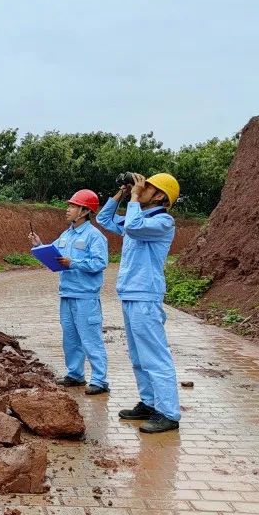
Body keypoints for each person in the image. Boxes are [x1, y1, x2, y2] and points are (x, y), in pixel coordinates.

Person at [96, 172, 181, 434]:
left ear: (159, 195)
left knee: (155, 356)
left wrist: (133, 198)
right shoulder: (139, 217)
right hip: (131, 294)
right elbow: (104, 219)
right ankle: (149, 403)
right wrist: (123, 192)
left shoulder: (163, 222)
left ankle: (168, 413)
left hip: (146, 295)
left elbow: (132, 228)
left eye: (147, 186)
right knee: (138, 356)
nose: (141, 188)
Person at [28, 189, 110, 396]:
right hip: (67, 294)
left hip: (86, 297)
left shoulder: (94, 236)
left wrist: (74, 262)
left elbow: (100, 263)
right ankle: (75, 374)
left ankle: (100, 380)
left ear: (84, 211)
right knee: (70, 338)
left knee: (91, 339)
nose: (68, 209)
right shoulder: (67, 234)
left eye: (72, 206)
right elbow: (54, 251)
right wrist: (39, 245)